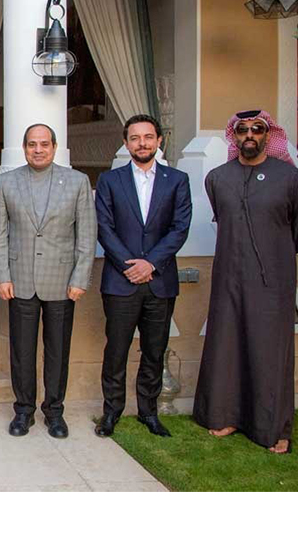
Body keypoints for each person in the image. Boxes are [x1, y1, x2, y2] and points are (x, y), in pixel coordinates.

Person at [194, 110, 298, 454]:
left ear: (267, 134)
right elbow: (224, 217)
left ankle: (273, 427)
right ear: (234, 136)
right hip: (229, 275)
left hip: (273, 281)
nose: (249, 135)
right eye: (242, 129)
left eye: (257, 129)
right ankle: (226, 415)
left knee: (270, 352)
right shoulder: (217, 178)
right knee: (227, 345)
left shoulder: (290, 178)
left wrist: (275, 255)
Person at [0, 124, 96, 439]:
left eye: (44, 144)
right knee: (21, 351)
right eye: (32, 144)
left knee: (57, 351)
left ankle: (54, 412)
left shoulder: (77, 182)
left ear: (54, 146)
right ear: (24, 148)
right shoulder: (8, 182)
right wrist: (1, 277)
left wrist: (80, 277)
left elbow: (87, 235)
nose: (38, 149)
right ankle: (23, 411)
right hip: (19, 280)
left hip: (62, 282)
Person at [93, 114, 192, 438]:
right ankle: (111, 413)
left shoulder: (177, 180)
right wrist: (129, 265)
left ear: (159, 140)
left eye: (148, 137)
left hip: (160, 282)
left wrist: (150, 264)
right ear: (126, 143)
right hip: (120, 283)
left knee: (154, 350)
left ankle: (148, 412)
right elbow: (104, 228)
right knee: (116, 350)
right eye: (135, 138)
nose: (142, 143)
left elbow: (179, 229)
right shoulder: (110, 180)